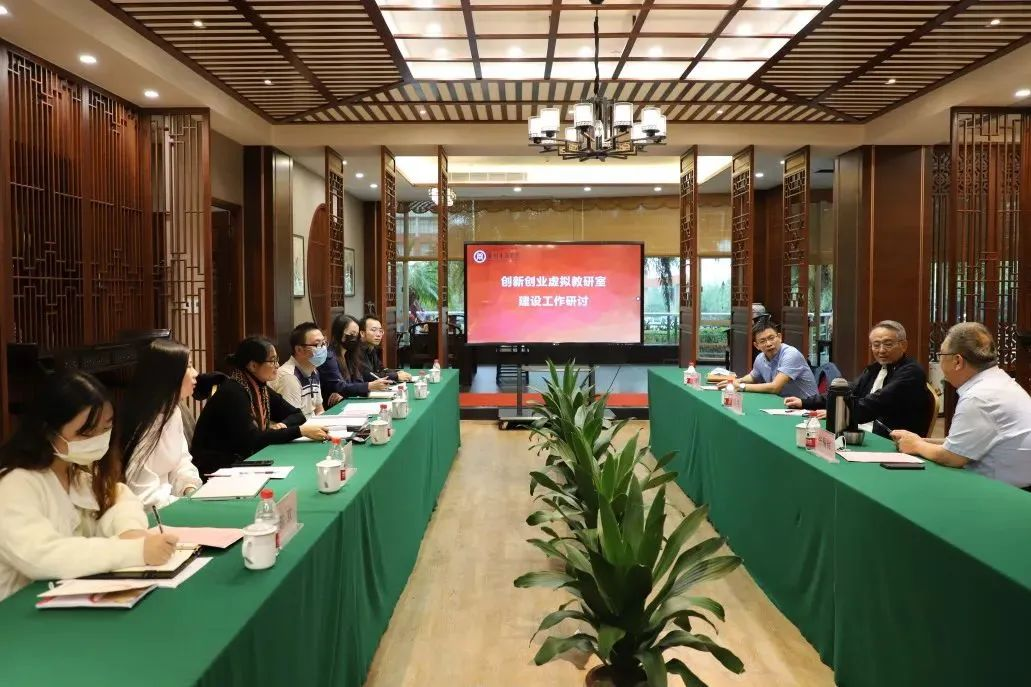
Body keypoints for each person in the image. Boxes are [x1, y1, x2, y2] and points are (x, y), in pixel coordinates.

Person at [0, 371, 178, 602]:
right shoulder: (14, 485)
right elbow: (43, 556)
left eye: (105, 429)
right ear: (48, 431)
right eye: (86, 433)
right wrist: (135, 551)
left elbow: (117, 497)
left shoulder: (74, 471)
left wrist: (130, 530)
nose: (98, 439)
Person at [892, 322, 1031, 488]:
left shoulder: (979, 397)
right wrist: (920, 441)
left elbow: (952, 457)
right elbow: (962, 443)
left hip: (1007, 492)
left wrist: (916, 445)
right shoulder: (998, 382)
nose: (939, 362)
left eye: (941, 355)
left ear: (957, 361)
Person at [191, 336, 329, 475]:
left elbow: (297, 414)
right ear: (253, 366)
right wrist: (300, 431)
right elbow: (252, 440)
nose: (277, 365)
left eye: (277, 359)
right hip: (217, 467)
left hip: (241, 459)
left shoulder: (259, 387)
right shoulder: (233, 392)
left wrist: (283, 425)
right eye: (272, 360)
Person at [784, 320, 931, 437]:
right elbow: (847, 391)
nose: (881, 350)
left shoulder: (911, 372)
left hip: (891, 440)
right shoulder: (875, 368)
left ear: (903, 345)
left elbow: (875, 403)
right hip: (862, 430)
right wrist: (805, 402)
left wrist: (839, 413)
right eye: (876, 345)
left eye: (888, 344)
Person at [118, 340, 203, 508]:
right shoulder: (143, 422)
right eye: (189, 366)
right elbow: (143, 496)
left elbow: (181, 461)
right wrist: (183, 505)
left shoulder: (173, 411)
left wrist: (189, 488)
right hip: (149, 512)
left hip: (172, 503)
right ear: (169, 375)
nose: (196, 373)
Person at [716, 319, 818, 398]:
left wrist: (741, 386)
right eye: (763, 341)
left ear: (779, 337)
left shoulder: (791, 354)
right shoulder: (760, 358)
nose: (768, 344)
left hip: (807, 408)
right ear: (756, 346)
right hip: (784, 404)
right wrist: (736, 381)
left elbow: (775, 387)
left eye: (771, 338)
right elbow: (753, 377)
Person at [319, 314, 390, 409]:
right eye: (352, 334)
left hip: (348, 403)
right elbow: (339, 387)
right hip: (333, 408)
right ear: (339, 333)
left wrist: (348, 392)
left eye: (356, 335)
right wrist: (369, 386)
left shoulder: (350, 354)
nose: (354, 338)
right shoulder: (329, 356)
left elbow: (358, 380)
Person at [270, 322, 326, 419]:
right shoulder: (289, 377)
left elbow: (319, 410)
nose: (323, 348)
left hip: (312, 425)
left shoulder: (313, 371)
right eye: (318, 344)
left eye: (324, 343)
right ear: (299, 350)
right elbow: (292, 420)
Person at [359, 315, 413, 383]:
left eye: (380, 331)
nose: (378, 334)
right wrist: (396, 376)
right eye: (373, 330)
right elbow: (368, 376)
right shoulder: (357, 351)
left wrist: (398, 372)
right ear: (362, 333)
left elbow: (381, 369)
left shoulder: (371, 348)